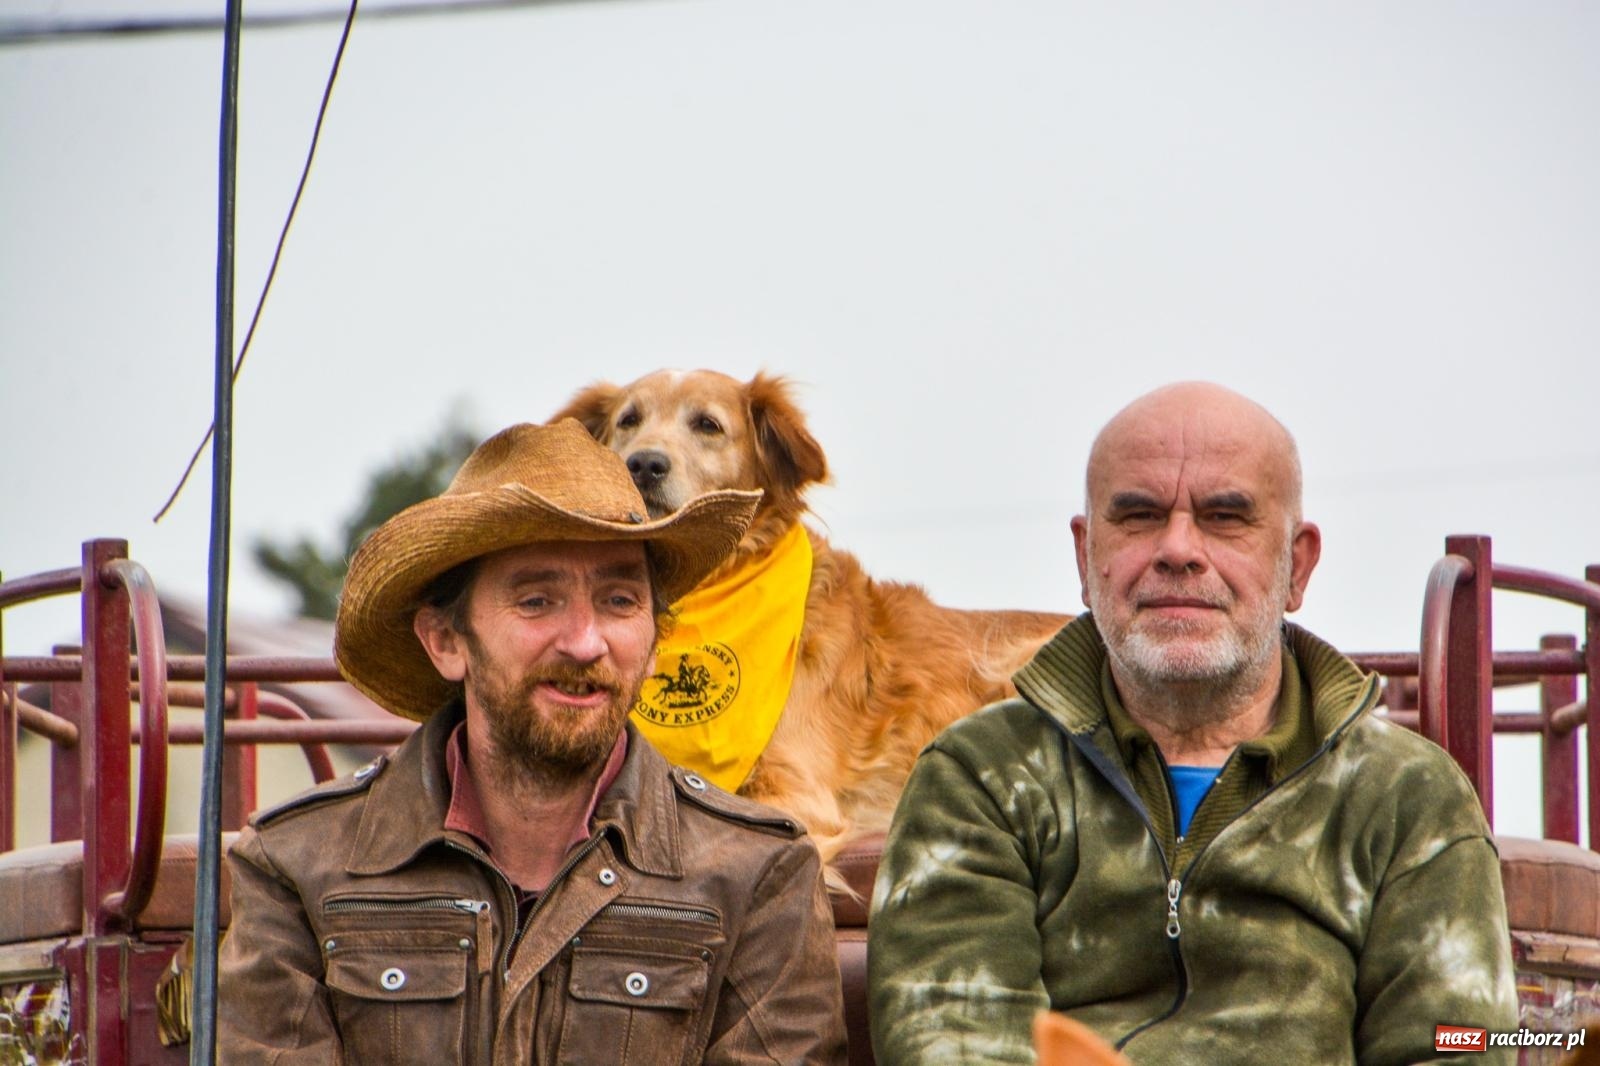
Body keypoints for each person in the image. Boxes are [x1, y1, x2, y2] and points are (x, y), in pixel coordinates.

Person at [867, 382, 1518, 1065]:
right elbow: (955, 1047)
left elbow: (1456, 1049)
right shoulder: (982, 778)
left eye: (1225, 517)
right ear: (1086, 558)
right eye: (1140, 515)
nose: (1178, 548)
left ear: (1296, 564)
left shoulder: (1405, 795)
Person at [218, 419, 848, 1064]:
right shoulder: (295, 864)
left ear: (658, 641)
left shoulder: (759, 873)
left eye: (620, 600)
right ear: (445, 640)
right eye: (537, 600)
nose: (584, 641)